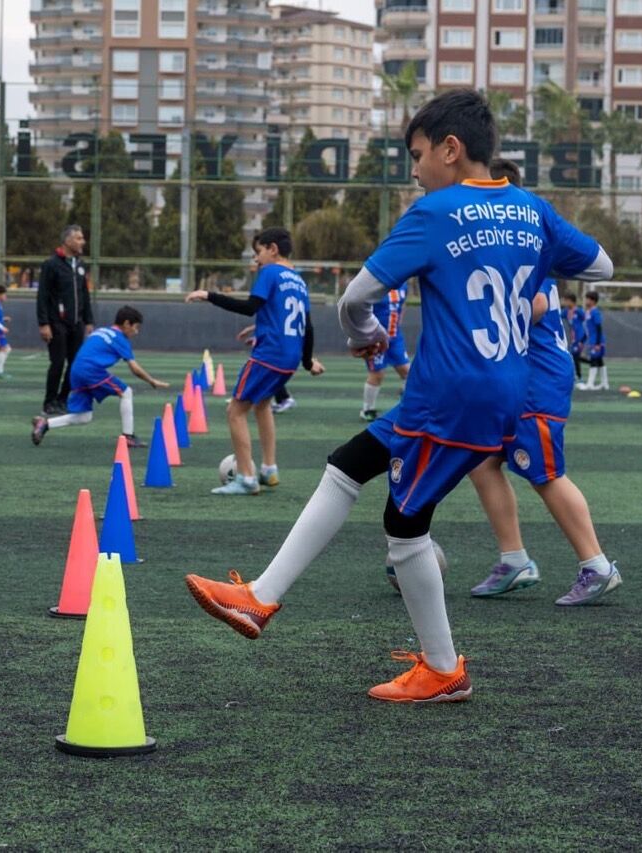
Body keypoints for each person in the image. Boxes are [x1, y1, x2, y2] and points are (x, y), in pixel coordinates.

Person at [183, 88, 613, 703]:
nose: (413, 171)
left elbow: (355, 299)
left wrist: (370, 336)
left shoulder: (436, 213)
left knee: (405, 525)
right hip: (496, 390)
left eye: (416, 155)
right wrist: (533, 282)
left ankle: (439, 669)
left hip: (452, 394)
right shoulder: (532, 209)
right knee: (350, 464)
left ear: (450, 148)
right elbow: (602, 266)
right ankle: (261, 597)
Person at [466, 157, 622, 607]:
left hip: (539, 381)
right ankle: (514, 559)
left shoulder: (528, 243)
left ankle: (597, 565)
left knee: (544, 473)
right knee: (482, 461)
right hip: (516, 380)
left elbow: (535, 303)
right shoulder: (512, 244)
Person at [185, 227, 324, 495]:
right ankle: (269, 469)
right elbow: (307, 326)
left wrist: (209, 295)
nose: (256, 259)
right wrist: (306, 362)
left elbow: (250, 307)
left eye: (258, 252)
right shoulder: (298, 280)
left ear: (272, 249)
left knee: (235, 411)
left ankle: (246, 478)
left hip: (269, 355)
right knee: (262, 406)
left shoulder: (270, 272)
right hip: (289, 358)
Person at [31, 306, 168, 447]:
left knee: (84, 416)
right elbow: (134, 368)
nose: (136, 332)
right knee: (126, 392)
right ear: (127, 324)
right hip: (91, 371)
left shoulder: (101, 330)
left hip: (76, 371)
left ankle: (45, 424)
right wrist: (151, 381)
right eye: (136, 327)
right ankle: (128, 436)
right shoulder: (120, 338)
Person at [37, 225, 93, 415]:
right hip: (56, 323)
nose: (82, 242)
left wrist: (88, 320)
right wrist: (44, 323)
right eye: (78, 238)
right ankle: (49, 401)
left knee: (76, 363)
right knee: (58, 363)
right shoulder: (51, 264)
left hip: (76, 323)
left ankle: (63, 399)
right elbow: (42, 295)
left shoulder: (80, 265)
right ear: (68, 241)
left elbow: (84, 294)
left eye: (82, 238)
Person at [361, 282, 411, 421]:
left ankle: (407, 405)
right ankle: (367, 409)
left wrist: (397, 323)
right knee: (377, 374)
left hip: (395, 338)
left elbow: (402, 305)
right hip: (375, 338)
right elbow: (361, 308)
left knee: (409, 372)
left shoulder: (403, 285)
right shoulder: (375, 283)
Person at [579, 290, 608, 390]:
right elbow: (588, 330)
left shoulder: (595, 312)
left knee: (594, 361)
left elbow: (599, 327)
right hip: (592, 340)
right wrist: (582, 341)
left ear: (593, 301)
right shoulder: (588, 312)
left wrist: (598, 343)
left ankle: (590, 384)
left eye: (588, 299)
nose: (586, 301)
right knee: (599, 361)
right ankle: (605, 384)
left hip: (596, 341)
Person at [562, 291, 586, 381]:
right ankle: (592, 363)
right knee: (574, 356)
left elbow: (585, 320)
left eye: (566, 301)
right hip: (573, 338)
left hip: (580, 337)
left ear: (571, 301)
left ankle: (579, 376)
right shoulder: (566, 311)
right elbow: (558, 315)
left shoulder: (578, 311)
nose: (565, 303)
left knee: (575, 356)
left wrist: (583, 339)